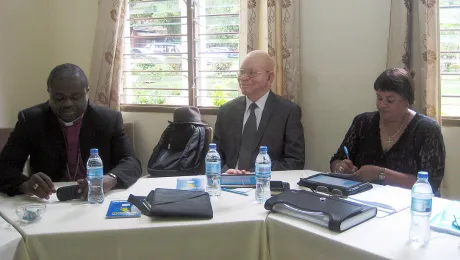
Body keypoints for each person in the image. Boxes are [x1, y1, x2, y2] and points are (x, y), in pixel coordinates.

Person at [0, 63, 142, 198]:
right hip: (50, 199)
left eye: (76, 97)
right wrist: (25, 185)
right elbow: (5, 166)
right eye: (59, 98)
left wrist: (111, 179)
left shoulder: (109, 119)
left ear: (87, 92)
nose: (68, 104)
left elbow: (131, 162)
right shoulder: (31, 120)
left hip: (96, 196)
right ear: (49, 92)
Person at [330, 68, 445, 192]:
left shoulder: (427, 129)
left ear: (407, 101)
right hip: (363, 199)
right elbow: (337, 159)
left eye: (390, 100)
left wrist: (380, 174)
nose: (382, 104)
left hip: (410, 204)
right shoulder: (362, 122)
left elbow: (431, 183)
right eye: (379, 98)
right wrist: (340, 168)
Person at [213, 50, 305, 173]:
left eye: (252, 73)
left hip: (265, 182)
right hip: (227, 181)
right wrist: (226, 171)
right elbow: (215, 154)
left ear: (269, 77)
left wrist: (256, 172)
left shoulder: (288, 112)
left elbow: (295, 161)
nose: (244, 78)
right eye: (241, 72)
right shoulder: (226, 110)